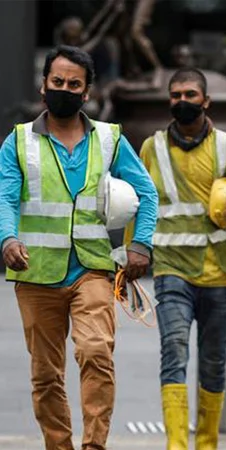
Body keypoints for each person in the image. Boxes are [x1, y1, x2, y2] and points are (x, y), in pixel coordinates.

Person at [0, 45, 158, 450]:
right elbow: (4, 196)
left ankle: (94, 446)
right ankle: (59, 445)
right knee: (45, 374)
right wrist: (8, 237)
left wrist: (139, 244)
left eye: (74, 84)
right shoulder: (18, 143)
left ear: (87, 92)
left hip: (92, 269)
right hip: (35, 270)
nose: (64, 90)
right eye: (57, 83)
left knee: (95, 352)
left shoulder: (109, 139)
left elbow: (146, 192)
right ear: (43, 87)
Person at [133, 67, 226, 450]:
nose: (182, 101)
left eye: (190, 94)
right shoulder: (152, 148)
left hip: (219, 273)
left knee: (212, 363)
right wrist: (134, 253)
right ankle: (177, 445)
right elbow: (142, 205)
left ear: (206, 101)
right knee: (173, 350)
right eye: (175, 95)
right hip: (171, 268)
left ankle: (206, 443)